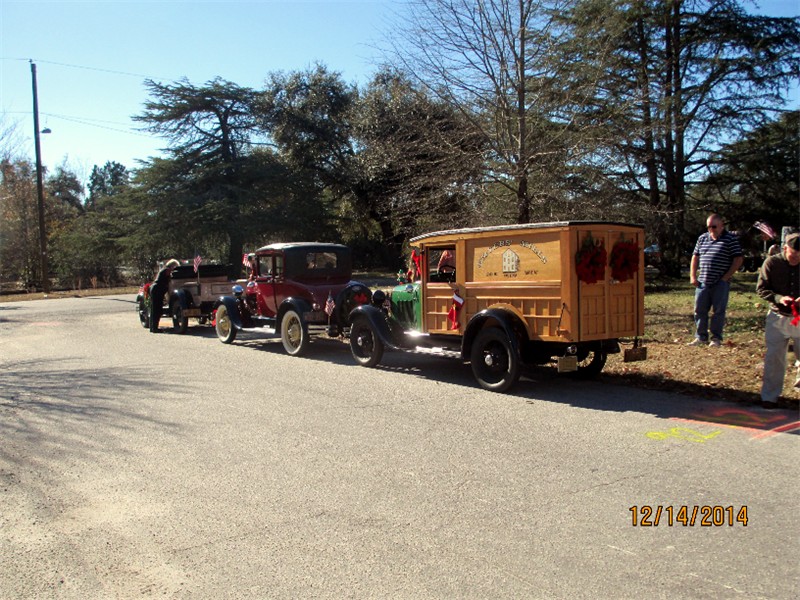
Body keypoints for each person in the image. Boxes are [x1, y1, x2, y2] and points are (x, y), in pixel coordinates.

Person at [756, 233, 800, 409]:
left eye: (799, 254)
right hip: (777, 317)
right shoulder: (772, 263)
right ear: (785, 248)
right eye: (793, 253)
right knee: (774, 357)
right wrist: (779, 298)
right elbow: (761, 289)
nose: (796, 256)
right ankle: (770, 396)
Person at [688, 214, 744, 347]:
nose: (711, 229)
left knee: (718, 311)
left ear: (721, 226)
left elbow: (738, 259)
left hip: (720, 282)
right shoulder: (702, 238)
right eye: (708, 227)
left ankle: (716, 338)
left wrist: (726, 276)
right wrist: (693, 276)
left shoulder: (730, 239)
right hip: (703, 281)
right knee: (699, 310)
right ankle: (701, 337)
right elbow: (695, 257)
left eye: (714, 226)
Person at [149, 259, 180, 333]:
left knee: (155, 309)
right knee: (157, 309)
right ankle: (155, 328)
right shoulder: (167, 270)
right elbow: (169, 278)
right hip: (157, 290)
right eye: (175, 267)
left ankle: (153, 327)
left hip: (156, 289)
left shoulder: (164, 269)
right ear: (172, 265)